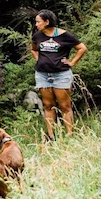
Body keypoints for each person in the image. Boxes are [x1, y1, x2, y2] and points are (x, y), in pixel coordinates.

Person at [31, 9, 87, 140]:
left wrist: (72, 62)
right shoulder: (37, 36)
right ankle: (50, 136)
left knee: (65, 106)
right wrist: (40, 60)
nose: (36, 24)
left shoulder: (65, 35)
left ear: (47, 22)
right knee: (48, 105)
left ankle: (69, 136)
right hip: (42, 75)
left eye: (38, 22)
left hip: (61, 75)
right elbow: (33, 49)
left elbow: (82, 48)